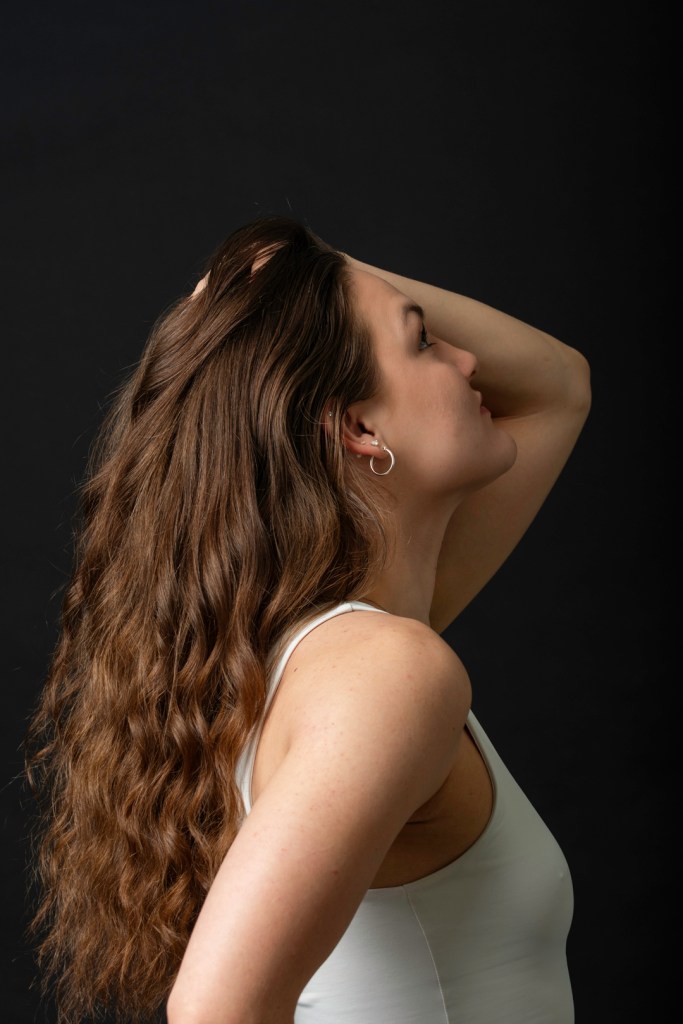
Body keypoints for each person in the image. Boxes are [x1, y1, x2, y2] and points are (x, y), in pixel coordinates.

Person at [24, 215, 591, 1024]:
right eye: (425, 343)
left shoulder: (329, 653)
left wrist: (318, 271)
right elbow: (217, 1010)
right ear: (360, 428)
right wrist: (316, 275)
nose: (471, 363)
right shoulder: (384, 673)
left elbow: (557, 386)